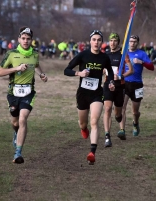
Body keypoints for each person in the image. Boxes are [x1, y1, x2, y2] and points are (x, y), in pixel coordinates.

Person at [0, 27, 48, 164]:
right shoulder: (11, 54)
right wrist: (16, 68)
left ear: (31, 40)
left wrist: (41, 74)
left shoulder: (35, 54)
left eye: (28, 38)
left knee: (23, 119)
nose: (25, 41)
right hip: (13, 93)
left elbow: (36, 65)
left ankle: (18, 153)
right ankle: (16, 133)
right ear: (19, 39)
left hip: (28, 93)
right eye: (23, 38)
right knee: (15, 122)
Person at [64, 30, 115, 165]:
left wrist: (110, 82)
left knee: (94, 121)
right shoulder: (83, 55)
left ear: (101, 42)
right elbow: (66, 70)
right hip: (82, 94)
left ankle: (92, 152)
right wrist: (79, 73)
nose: (96, 42)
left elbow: (110, 72)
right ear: (90, 41)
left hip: (97, 94)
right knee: (83, 123)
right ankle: (83, 129)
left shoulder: (104, 58)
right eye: (94, 40)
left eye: (99, 40)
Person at [118, 35, 154, 138]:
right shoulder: (123, 53)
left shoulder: (142, 54)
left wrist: (141, 62)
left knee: (135, 111)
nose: (132, 43)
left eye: (134, 42)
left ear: (137, 43)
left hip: (137, 84)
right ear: (128, 42)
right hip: (124, 83)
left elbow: (151, 67)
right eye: (130, 41)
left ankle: (135, 123)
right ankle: (122, 130)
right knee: (122, 107)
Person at [103, 33, 134, 147]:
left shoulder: (123, 54)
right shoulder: (105, 55)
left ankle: (119, 120)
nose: (113, 43)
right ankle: (107, 136)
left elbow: (131, 70)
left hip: (119, 86)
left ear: (118, 42)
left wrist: (121, 76)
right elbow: (102, 70)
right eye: (111, 40)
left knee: (118, 113)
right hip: (107, 84)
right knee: (107, 108)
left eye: (115, 40)